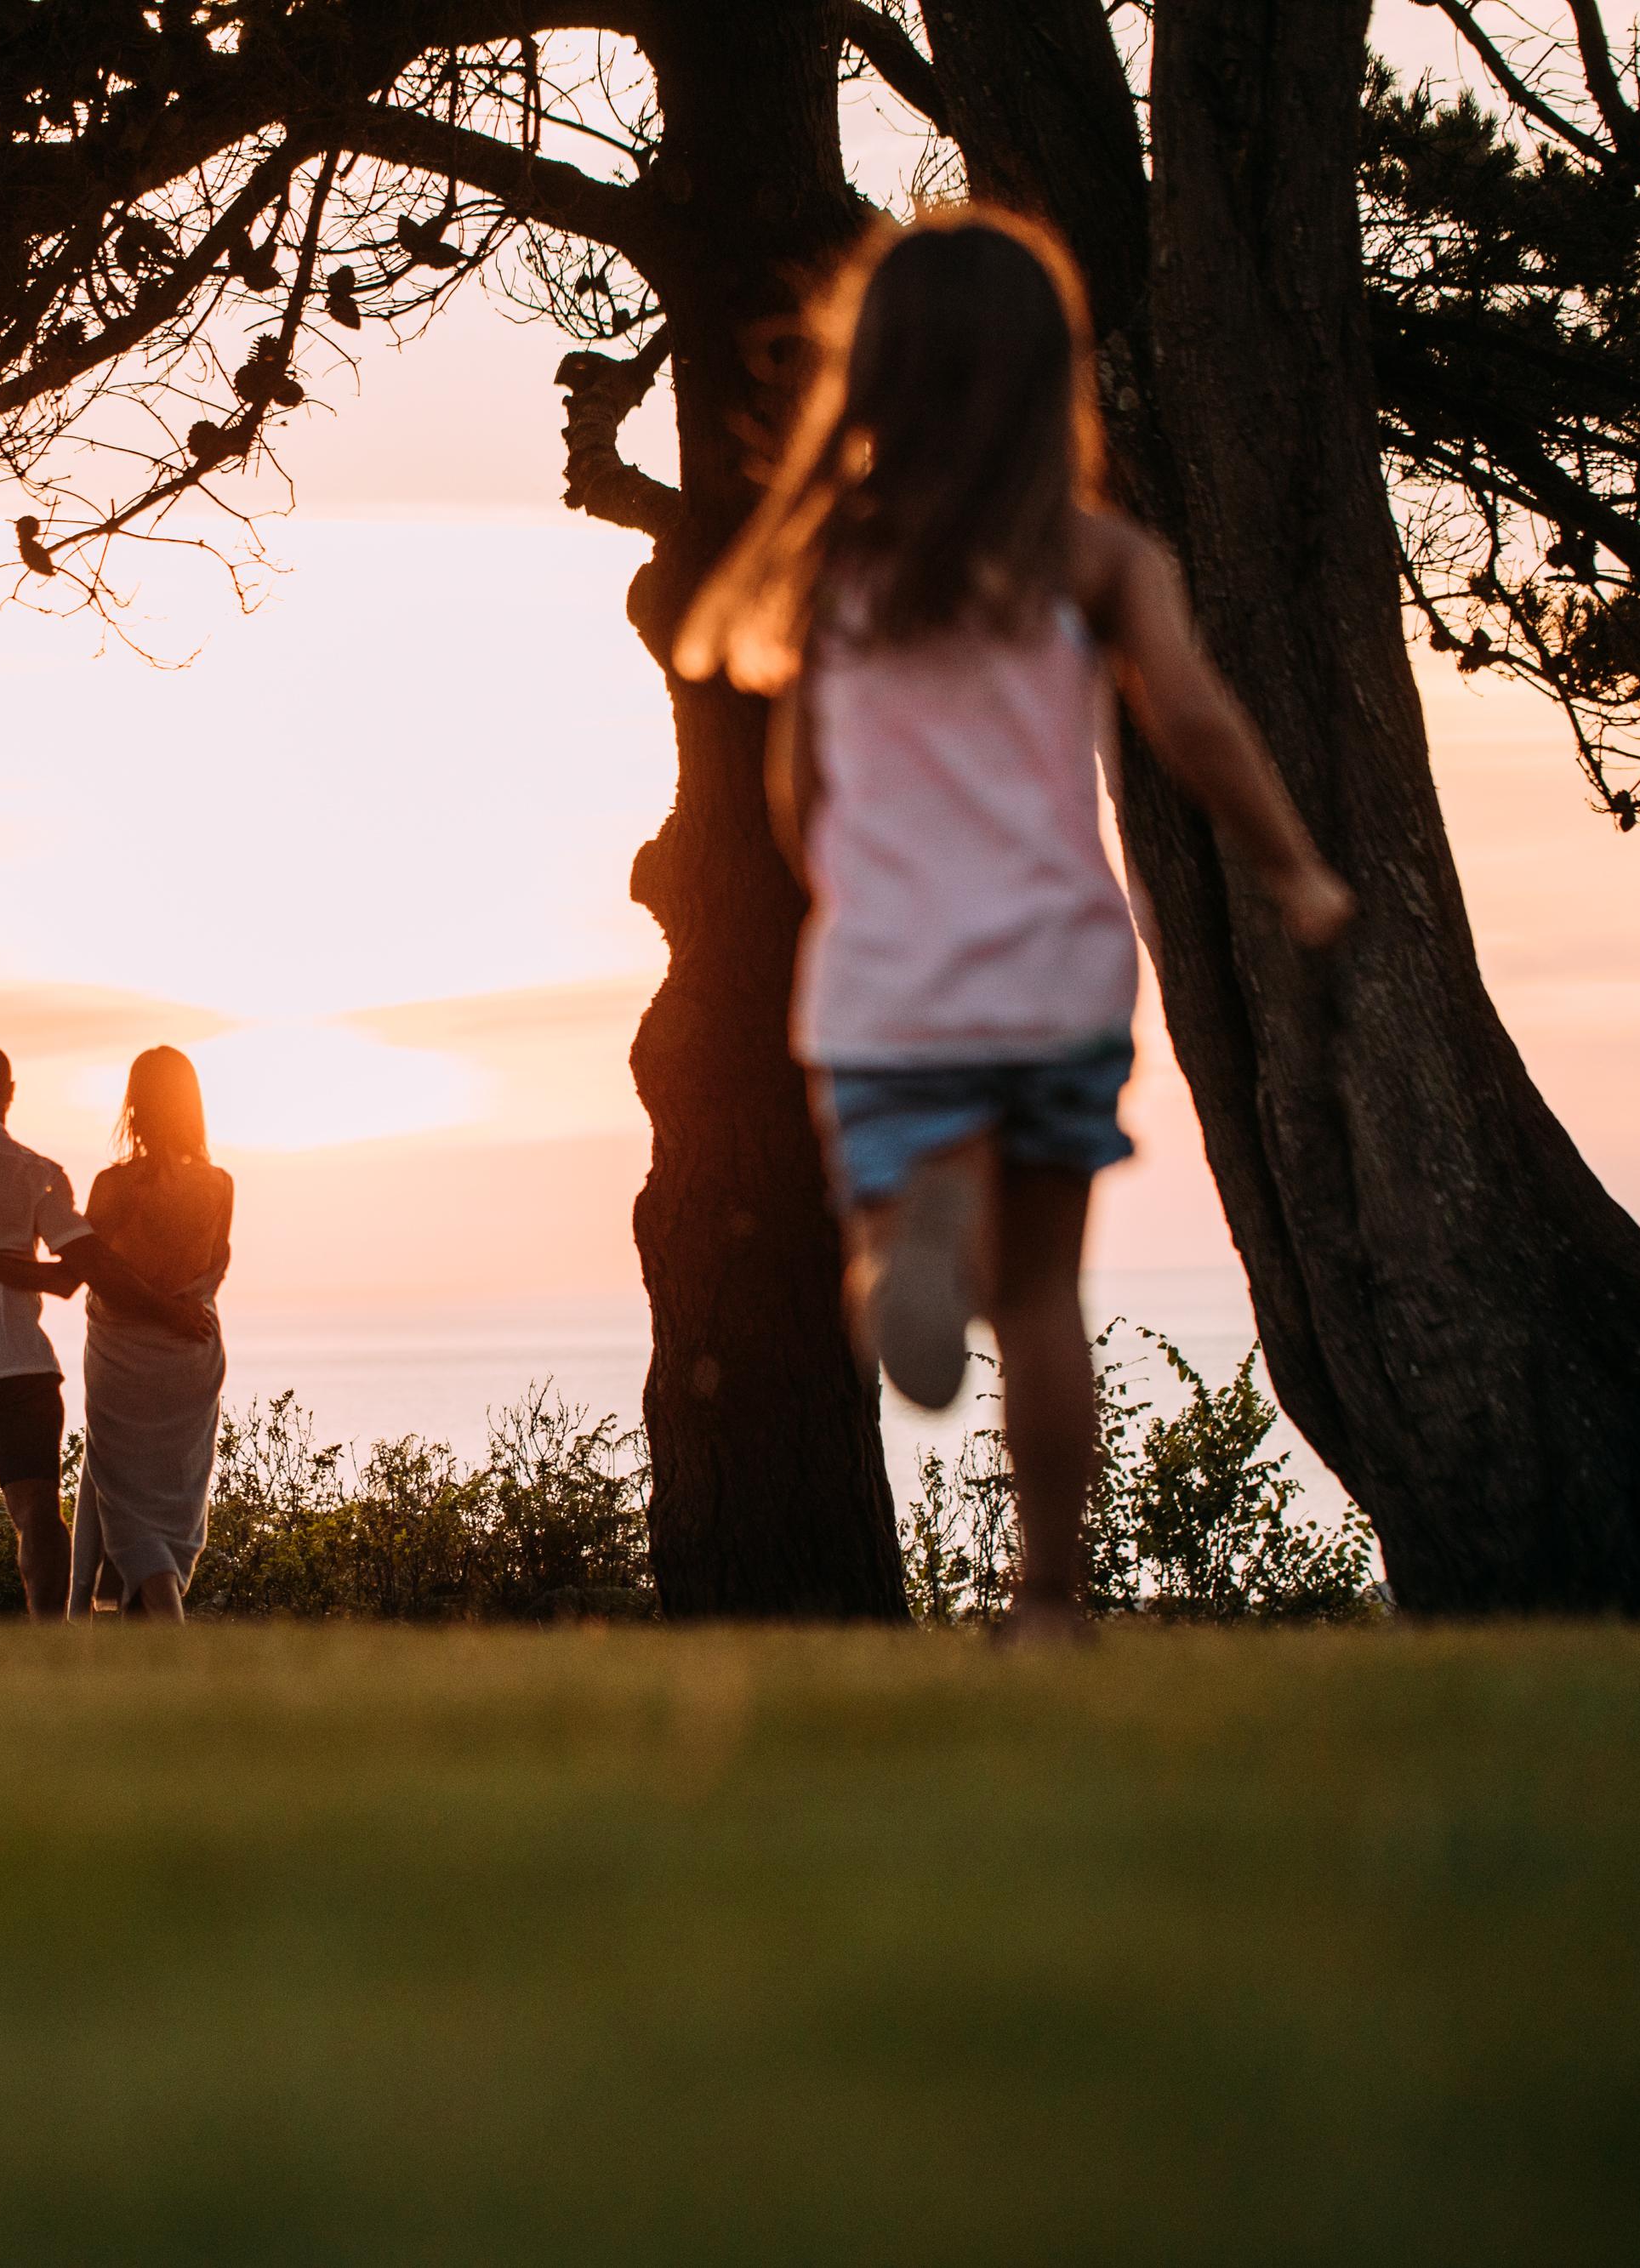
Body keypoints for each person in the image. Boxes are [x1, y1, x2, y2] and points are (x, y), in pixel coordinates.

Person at [670, 209, 1355, 1640]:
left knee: (902, 1227)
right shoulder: (1096, 560)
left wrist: (854, 884)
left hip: (892, 979)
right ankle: (1052, 1599)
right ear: (1051, 377)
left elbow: (801, 787)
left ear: (882, 378)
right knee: (1047, 1289)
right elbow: (1195, 721)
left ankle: (906, 1247)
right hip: (1057, 969)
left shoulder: (839, 568)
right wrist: (1294, 868)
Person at [0, 1041, 212, 1621]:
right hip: (20, 1366)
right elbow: (76, 1276)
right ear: (11, 1093)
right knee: (38, 1515)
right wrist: (167, 1307)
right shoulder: (39, 1175)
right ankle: (49, 1641)